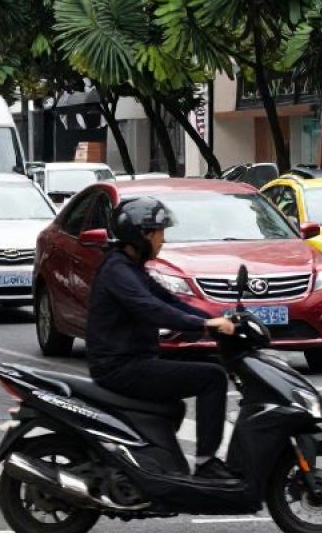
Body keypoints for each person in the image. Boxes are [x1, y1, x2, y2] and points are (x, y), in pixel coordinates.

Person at [86, 196, 238, 482]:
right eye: (160, 233)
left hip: (134, 361)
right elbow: (151, 308)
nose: (163, 240)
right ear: (142, 235)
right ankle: (206, 464)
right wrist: (205, 325)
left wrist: (220, 316)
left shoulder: (130, 267)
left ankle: (157, 463)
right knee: (213, 378)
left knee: (179, 399)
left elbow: (169, 299)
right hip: (121, 368)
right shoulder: (117, 271)